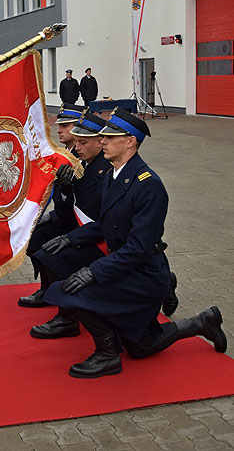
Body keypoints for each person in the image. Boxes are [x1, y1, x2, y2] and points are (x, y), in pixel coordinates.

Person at [42, 108, 226, 378]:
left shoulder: (148, 185)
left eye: (109, 137)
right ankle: (202, 322)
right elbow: (103, 227)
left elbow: (139, 248)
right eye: (102, 136)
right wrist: (68, 238)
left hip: (144, 275)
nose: (102, 141)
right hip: (125, 266)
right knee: (142, 347)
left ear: (130, 141)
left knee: (69, 292)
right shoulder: (115, 175)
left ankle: (107, 355)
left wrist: (94, 271)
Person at [28, 111, 111, 336]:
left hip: (100, 237)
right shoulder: (78, 160)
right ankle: (49, 291)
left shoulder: (106, 170)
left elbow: (103, 221)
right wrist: (64, 190)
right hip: (79, 228)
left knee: (55, 255)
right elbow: (67, 212)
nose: (78, 145)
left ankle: (67, 317)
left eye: (83, 141)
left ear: (99, 141)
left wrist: (68, 238)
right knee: (36, 238)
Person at [18, 103, 85, 308]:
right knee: (32, 238)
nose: (58, 130)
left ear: (78, 126)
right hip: (64, 215)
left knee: (46, 245)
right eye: (59, 125)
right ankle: (48, 287)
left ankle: (54, 290)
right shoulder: (64, 152)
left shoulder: (82, 156)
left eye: (65, 126)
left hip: (80, 222)